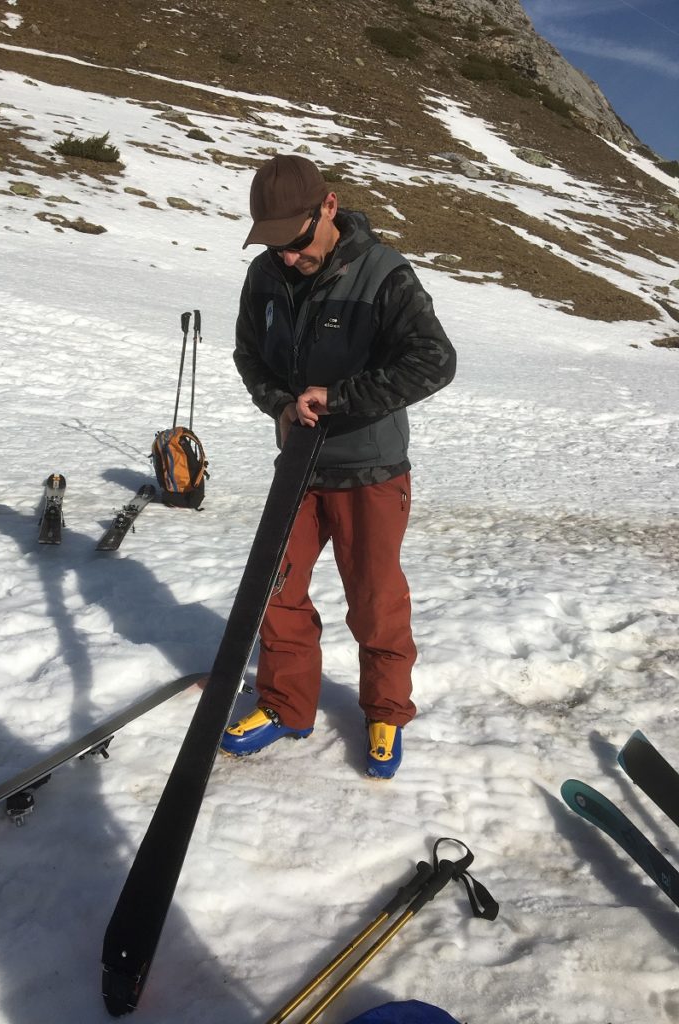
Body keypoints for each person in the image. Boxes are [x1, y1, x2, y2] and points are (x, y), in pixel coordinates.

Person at [220, 154, 456, 778]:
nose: (287, 258)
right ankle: (286, 705)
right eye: (273, 246)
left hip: (370, 470)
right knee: (276, 589)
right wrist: (279, 404)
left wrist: (341, 399)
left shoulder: (383, 274)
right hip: (297, 465)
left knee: (375, 600)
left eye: (295, 243)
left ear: (328, 207)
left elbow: (434, 361)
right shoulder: (264, 277)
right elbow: (250, 356)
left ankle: (384, 709)